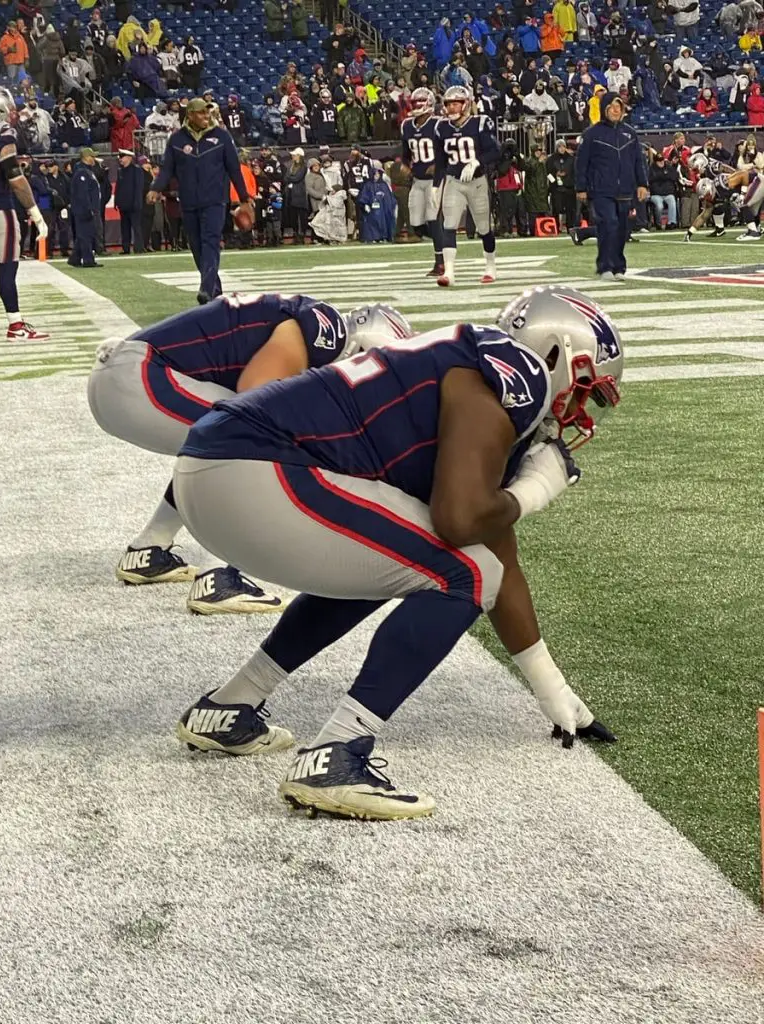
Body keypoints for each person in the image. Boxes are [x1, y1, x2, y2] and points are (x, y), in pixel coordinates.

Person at [171, 288, 621, 819]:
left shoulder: (466, 370)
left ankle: (229, 706)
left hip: (212, 470)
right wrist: (533, 492)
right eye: (585, 389)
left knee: (397, 562)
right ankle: (337, 752)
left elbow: (498, 554)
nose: (578, 409)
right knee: (463, 572)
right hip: (256, 469)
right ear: (552, 355)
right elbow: (462, 525)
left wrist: (554, 691)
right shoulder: (510, 377)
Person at [87, 295, 366, 614]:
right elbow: (256, 391)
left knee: (215, 443)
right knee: (250, 432)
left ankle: (149, 547)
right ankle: (217, 574)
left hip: (121, 377)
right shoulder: (324, 326)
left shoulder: (308, 325)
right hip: (141, 376)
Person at [147, 98, 253, 305]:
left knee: (211, 241)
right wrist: (155, 188)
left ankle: (205, 289)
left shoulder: (222, 136)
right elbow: (167, 168)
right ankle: (215, 290)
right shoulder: (177, 139)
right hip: (188, 201)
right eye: (201, 113)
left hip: (215, 200)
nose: (206, 117)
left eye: (208, 113)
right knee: (196, 246)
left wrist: (244, 198)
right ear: (190, 115)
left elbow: (234, 168)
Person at [575, 92, 649, 280]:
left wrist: (642, 184)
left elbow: (638, 161)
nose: (616, 110)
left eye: (619, 107)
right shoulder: (591, 134)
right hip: (600, 190)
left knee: (622, 229)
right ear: (604, 109)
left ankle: (618, 267)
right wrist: (581, 188)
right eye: (612, 107)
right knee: (608, 224)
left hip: (625, 189)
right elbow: (581, 162)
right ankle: (605, 267)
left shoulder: (630, 133)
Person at [434, 85, 500, 287]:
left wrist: (476, 161)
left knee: (483, 228)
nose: (452, 108)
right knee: (449, 225)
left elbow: (495, 151)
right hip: (454, 181)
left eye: (455, 103)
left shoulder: (480, 123)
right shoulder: (441, 128)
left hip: (477, 181)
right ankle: (449, 273)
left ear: (466, 104)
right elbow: (440, 162)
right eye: (449, 104)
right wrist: (436, 186)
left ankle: (490, 266)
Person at [0, 89, 49, 341]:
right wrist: (35, 212)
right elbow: (14, 177)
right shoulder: (4, 133)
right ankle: (15, 326)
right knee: (7, 265)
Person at [401, 87, 444, 276]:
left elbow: (449, 149)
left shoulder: (438, 124)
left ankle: (440, 262)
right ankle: (445, 240)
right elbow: (405, 153)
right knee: (416, 224)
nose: (417, 105)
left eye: (420, 101)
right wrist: (404, 165)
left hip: (435, 180)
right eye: (415, 101)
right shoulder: (407, 125)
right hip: (418, 179)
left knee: (433, 219)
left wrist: (439, 164)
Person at [68, 148, 102, 269]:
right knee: (86, 235)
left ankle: (75, 258)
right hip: (84, 210)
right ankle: (88, 260)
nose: (94, 159)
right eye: (92, 157)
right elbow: (83, 194)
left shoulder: (87, 171)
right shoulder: (82, 173)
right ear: (86, 158)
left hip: (85, 209)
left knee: (84, 234)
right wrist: (89, 209)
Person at [114, 148, 144, 254]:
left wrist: (137, 203)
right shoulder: (120, 171)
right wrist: (116, 202)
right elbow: (118, 187)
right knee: (124, 228)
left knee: (136, 227)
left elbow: (138, 188)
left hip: (133, 204)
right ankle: (125, 248)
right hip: (124, 204)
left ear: (129, 158)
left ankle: (139, 248)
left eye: (122, 157)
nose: (120, 159)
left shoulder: (137, 170)